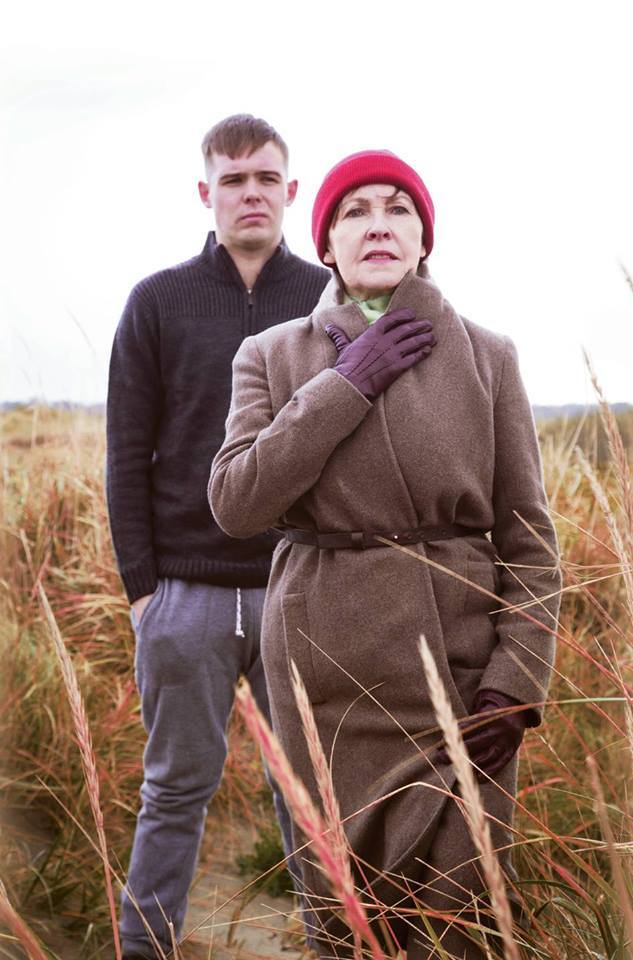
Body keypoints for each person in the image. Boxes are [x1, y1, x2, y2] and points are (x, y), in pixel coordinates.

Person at [209, 150, 562, 959]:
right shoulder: (269, 354)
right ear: (326, 242)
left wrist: (515, 684)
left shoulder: (488, 354)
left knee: (464, 919)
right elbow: (235, 504)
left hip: (461, 678)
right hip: (324, 671)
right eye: (355, 211)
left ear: (422, 238)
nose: (377, 224)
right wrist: (345, 384)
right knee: (347, 915)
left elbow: (529, 539)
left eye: (397, 208)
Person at [106, 114, 330, 960]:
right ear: (206, 192)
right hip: (185, 594)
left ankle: (334, 943)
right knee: (173, 793)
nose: (250, 194)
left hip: (297, 588)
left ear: (290, 190)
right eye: (233, 180)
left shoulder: (327, 298)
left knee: (310, 794)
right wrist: (143, 593)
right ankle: (145, 948)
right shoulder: (157, 301)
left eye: (266, 178)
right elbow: (126, 452)